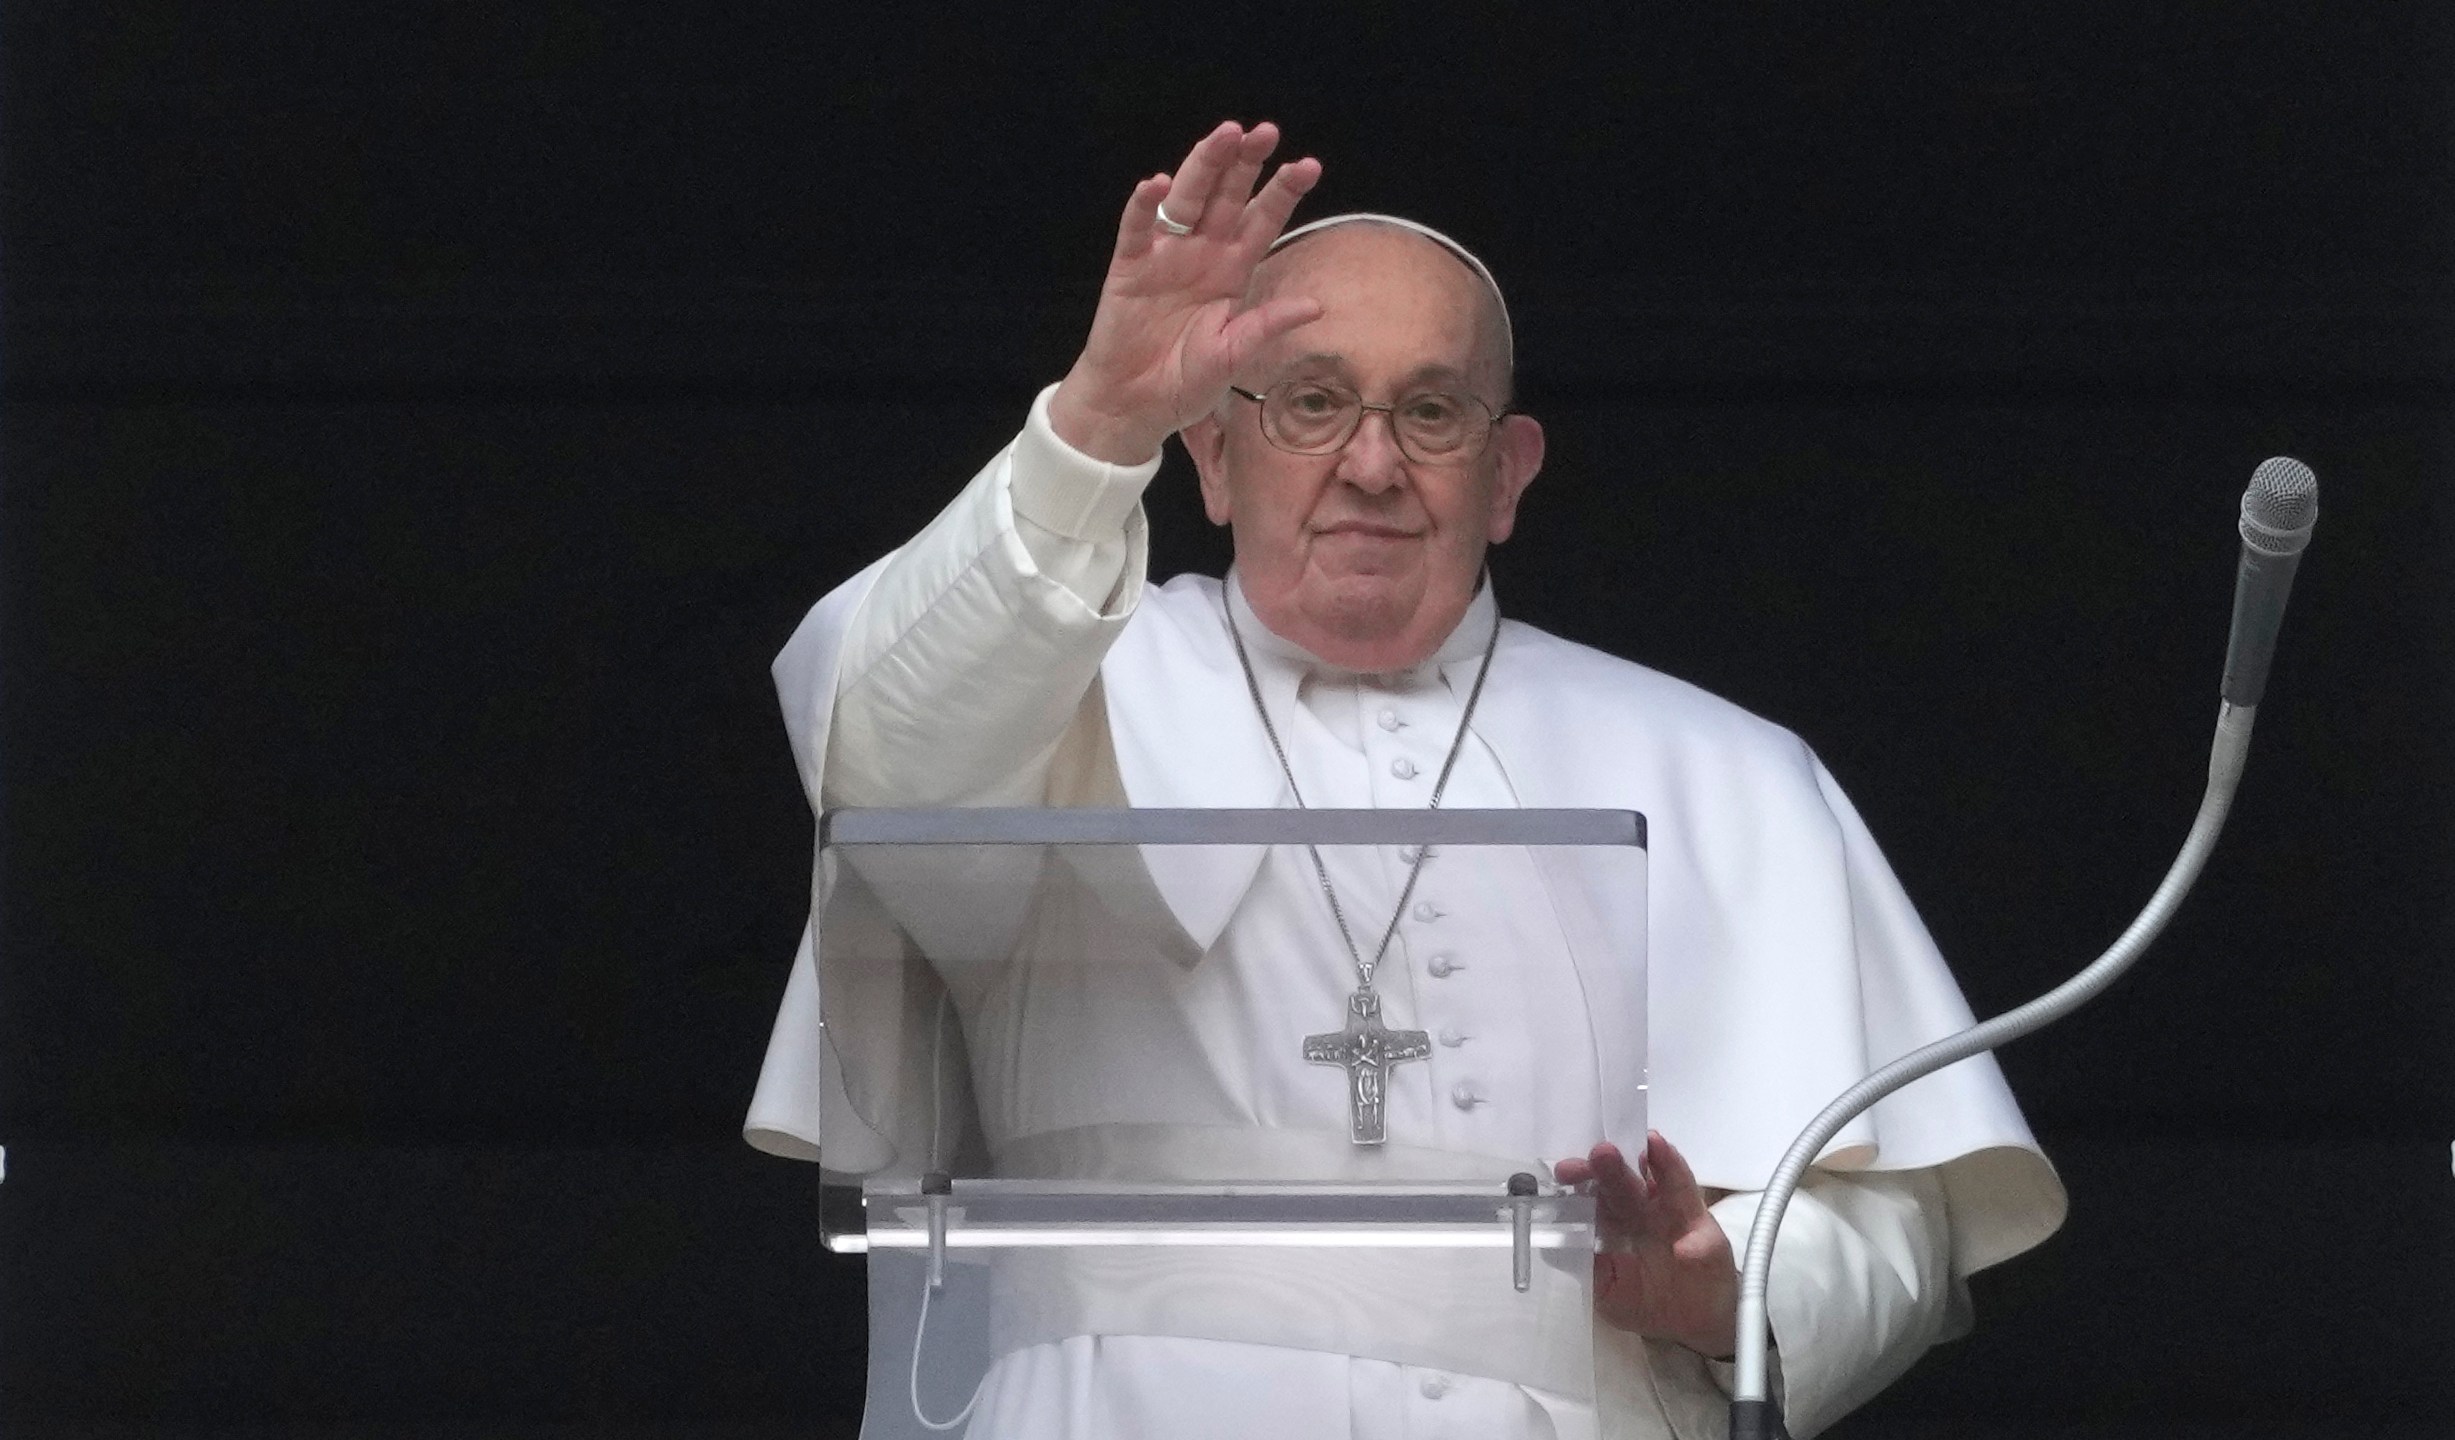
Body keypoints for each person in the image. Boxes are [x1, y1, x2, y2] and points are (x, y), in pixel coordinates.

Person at [746, 121, 2065, 1439]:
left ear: (1507, 475)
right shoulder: (1046, 676)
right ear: (1210, 452)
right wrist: (1095, 422)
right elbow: (875, 751)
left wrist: (1720, 1289)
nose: (1370, 467)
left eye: (1431, 411)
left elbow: (1897, 1209)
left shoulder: (1722, 771)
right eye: (1311, 402)